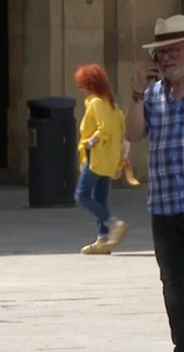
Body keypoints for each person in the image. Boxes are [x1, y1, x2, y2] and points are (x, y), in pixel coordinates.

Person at [125, 14, 184, 352]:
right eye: (161, 53)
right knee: (173, 281)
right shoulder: (153, 95)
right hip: (164, 203)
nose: (166, 59)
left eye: (173, 50)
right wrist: (135, 92)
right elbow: (133, 134)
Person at [74, 64, 129, 255]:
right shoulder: (112, 105)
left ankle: (114, 223)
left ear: (90, 84)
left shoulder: (96, 103)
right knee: (100, 197)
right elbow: (121, 129)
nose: (80, 89)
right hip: (110, 159)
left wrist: (90, 142)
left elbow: (103, 129)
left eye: (82, 84)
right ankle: (103, 239)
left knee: (82, 195)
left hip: (97, 157)